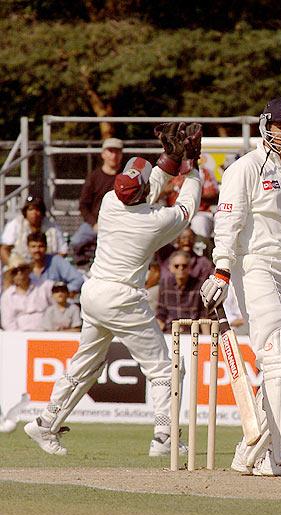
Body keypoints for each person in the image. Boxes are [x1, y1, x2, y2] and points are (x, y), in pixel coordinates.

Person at [24, 122, 202, 456]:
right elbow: (187, 207)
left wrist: (170, 157)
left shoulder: (109, 201)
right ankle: (164, 437)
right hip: (122, 297)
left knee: (86, 365)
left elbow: (148, 185)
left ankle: (46, 423)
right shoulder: (154, 222)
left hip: (93, 293)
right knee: (164, 368)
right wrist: (192, 167)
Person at [201, 96, 281, 476]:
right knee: (280, 353)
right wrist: (221, 270)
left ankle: (250, 450)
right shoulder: (245, 169)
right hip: (255, 265)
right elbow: (228, 223)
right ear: (265, 127)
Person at [70, 138, 124, 258]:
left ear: (121, 155)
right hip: (96, 223)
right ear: (103, 154)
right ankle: (82, 265)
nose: (114, 155)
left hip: (119, 223)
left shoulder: (126, 178)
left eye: (117, 152)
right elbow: (83, 205)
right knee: (75, 242)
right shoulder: (94, 177)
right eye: (110, 151)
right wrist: (94, 224)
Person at [1, 195, 67, 265]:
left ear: (42, 212)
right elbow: (3, 249)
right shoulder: (15, 225)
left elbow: (62, 251)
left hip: (47, 270)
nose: (34, 213)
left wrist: (52, 267)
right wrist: (14, 267)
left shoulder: (53, 228)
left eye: (37, 209)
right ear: (25, 212)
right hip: (21, 269)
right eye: (30, 209)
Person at [156, 250, 206, 331]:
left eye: (184, 265)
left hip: (193, 333)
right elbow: (161, 314)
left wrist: (206, 339)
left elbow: (203, 316)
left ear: (190, 267)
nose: (181, 268)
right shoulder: (164, 284)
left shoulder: (199, 285)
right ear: (170, 268)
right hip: (170, 331)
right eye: (176, 266)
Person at [0, 254, 53, 331]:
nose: (19, 273)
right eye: (15, 271)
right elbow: (8, 323)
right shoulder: (7, 296)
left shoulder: (45, 286)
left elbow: (56, 308)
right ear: (11, 276)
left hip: (46, 333)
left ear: (28, 270)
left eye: (22, 269)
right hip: (20, 336)